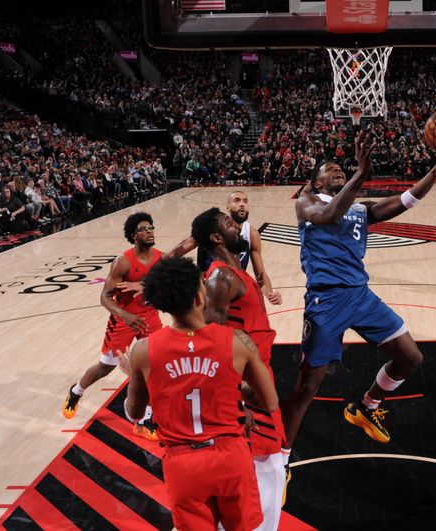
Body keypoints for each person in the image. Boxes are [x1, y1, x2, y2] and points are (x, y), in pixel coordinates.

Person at [281, 132, 436, 453]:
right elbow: (329, 216)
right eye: (331, 169)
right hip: (326, 301)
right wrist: (360, 173)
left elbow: (407, 200)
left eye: (342, 168)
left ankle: (366, 406)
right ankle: (278, 461)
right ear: (317, 183)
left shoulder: (360, 209)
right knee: (307, 387)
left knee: (410, 357)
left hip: (361, 296)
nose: (339, 171)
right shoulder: (307, 203)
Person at [119, 256, 277, 531]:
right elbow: (270, 401)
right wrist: (229, 384)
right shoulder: (237, 341)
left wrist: (136, 376)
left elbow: (134, 413)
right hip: (230, 456)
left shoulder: (143, 351)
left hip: (183, 465)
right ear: (198, 297)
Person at [190, 207, 287, 531]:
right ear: (217, 237)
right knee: (263, 470)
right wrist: (234, 399)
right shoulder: (221, 277)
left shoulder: (235, 273)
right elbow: (208, 342)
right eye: (230, 224)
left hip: (256, 381)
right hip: (244, 390)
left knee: (268, 469)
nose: (239, 227)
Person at [62, 212, 164, 441]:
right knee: (105, 367)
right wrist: (124, 314)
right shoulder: (123, 262)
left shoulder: (161, 258)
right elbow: (105, 297)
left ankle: (146, 419)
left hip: (150, 317)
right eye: (143, 228)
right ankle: (76, 391)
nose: (149, 231)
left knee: (157, 364)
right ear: (133, 235)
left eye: (151, 227)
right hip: (123, 319)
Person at [168, 190, 281, 305]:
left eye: (245, 201)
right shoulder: (212, 227)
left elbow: (260, 274)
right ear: (227, 207)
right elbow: (178, 250)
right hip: (208, 293)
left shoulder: (252, 234)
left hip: (234, 294)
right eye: (237, 200)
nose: (242, 204)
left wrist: (270, 294)